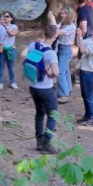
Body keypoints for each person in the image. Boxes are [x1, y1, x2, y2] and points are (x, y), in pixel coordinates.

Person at [25, 24, 60, 154]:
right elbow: (55, 72)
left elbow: (31, 61)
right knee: (53, 115)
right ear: (55, 36)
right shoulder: (51, 53)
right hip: (46, 88)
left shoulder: (33, 45)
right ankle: (47, 143)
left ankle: (39, 141)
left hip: (33, 86)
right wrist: (49, 74)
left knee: (40, 113)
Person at [50, 8, 75, 103]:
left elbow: (56, 32)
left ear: (68, 15)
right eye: (62, 13)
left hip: (66, 50)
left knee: (60, 72)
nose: (62, 15)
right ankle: (68, 89)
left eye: (64, 14)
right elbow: (53, 29)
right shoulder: (62, 24)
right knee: (66, 71)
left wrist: (52, 19)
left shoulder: (71, 26)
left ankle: (65, 95)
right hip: (60, 48)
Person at [0, 11, 19, 90]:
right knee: (1, 67)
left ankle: (12, 82)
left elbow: (12, 34)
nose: (5, 18)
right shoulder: (0, 26)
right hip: (0, 49)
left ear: (11, 18)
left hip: (10, 50)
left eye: (7, 16)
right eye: (4, 16)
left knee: (11, 67)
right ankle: (0, 82)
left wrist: (5, 27)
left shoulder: (14, 26)